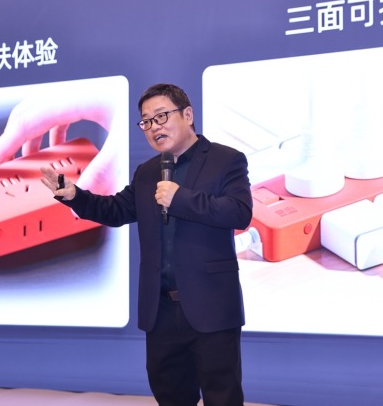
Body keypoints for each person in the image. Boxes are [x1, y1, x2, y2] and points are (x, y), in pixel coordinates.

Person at [40, 83, 253, 406]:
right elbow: (116, 210)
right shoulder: (148, 172)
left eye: (161, 116)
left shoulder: (226, 160)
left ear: (188, 115)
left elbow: (239, 212)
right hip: (161, 311)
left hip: (211, 306)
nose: (154, 127)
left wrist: (180, 198)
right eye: (147, 121)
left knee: (222, 397)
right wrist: (75, 197)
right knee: (170, 396)